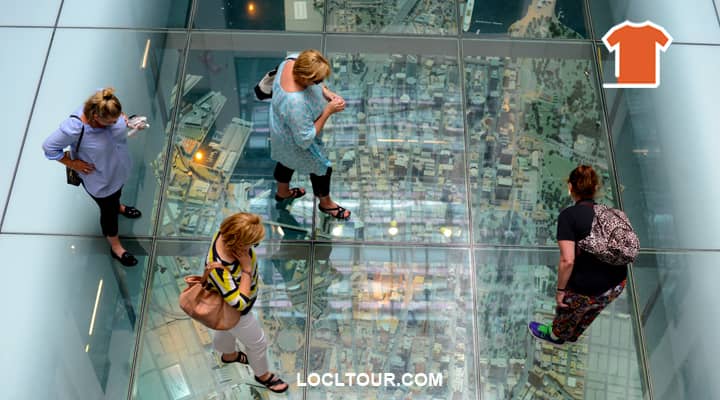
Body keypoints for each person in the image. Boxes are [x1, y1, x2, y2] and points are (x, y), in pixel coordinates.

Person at [42, 88, 145, 267]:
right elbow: (49, 147)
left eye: (118, 117)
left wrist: (127, 121)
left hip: (117, 170)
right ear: (97, 118)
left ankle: (118, 205)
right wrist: (73, 164)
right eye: (112, 121)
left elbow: (119, 117)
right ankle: (116, 247)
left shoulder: (104, 102)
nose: (116, 122)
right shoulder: (75, 128)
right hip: (101, 181)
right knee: (109, 213)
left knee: (116, 197)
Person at [528, 165, 628, 344]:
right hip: (617, 283)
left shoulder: (569, 216)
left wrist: (560, 291)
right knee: (592, 310)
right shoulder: (610, 213)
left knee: (570, 309)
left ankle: (556, 335)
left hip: (589, 287)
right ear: (596, 188)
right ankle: (574, 334)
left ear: (570, 187)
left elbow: (567, 260)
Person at [206, 212, 288, 393]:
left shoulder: (224, 233)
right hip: (237, 312)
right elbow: (239, 304)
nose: (254, 247)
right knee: (258, 343)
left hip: (226, 309)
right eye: (252, 244)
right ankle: (262, 375)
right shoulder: (220, 266)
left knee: (226, 329)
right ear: (238, 243)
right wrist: (246, 269)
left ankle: (229, 355)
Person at [269, 49, 351, 220]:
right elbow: (305, 138)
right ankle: (326, 204)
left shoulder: (291, 62)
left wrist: (325, 91)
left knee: (285, 161)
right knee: (322, 168)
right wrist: (328, 111)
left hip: (281, 131)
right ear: (306, 78)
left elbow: (305, 69)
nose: (320, 82)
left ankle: (282, 192)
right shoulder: (295, 102)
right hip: (295, 141)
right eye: (318, 80)